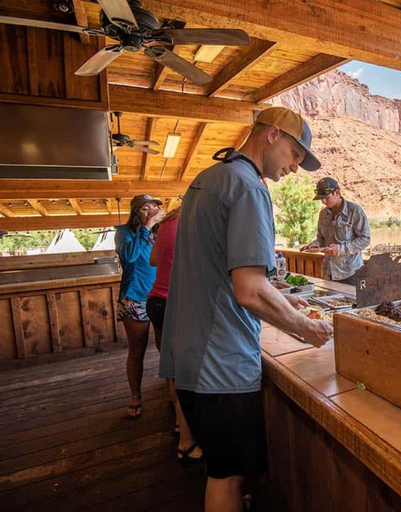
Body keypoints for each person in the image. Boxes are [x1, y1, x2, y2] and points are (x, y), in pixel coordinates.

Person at [159, 106, 333, 512]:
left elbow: (220, 273)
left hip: (189, 356)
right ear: (272, 135)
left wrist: (283, 298)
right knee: (226, 476)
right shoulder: (250, 188)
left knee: (221, 469)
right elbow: (249, 292)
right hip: (220, 366)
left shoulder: (209, 179)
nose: (295, 166)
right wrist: (304, 330)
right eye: (294, 154)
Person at [146, 207, 203, 464]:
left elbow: (154, 260)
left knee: (172, 366)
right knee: (187, 373)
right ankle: (187, 442)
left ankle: (180, 425)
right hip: (177, 302)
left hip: (156, 301)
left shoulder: (166, 225)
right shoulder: (192, 224)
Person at [115, 194, 164, 419]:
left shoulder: (159, 233)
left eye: (154, 207)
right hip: (135, 298)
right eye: (146, 208)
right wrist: (146, 227)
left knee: (167, 348)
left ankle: (171, 392)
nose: (152, 211)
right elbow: (129, 256)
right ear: (137, 213)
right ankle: (135, 395)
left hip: (160, 296)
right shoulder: (125, 232)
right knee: (137, 350)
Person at [300, 177, 370, 284]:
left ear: (337, 192)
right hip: (328, 273)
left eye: (326, 198)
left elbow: (365, 239)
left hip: (351, 273)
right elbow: (321, 238)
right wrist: (316, 244)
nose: (323, 202)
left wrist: (340, 249)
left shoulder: (355, 211)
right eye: (321, 199)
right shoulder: (323, 214)